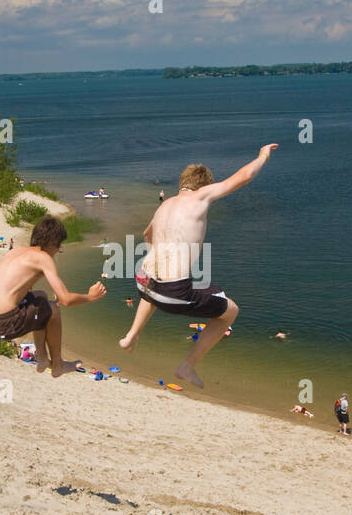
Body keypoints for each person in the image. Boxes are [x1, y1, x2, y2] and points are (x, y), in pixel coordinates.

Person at [118, 144, 277, 387]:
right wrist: (263, 155)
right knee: (231, 311)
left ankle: (131, 335)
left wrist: (159, 255)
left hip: (143, 284)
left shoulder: (164, 205)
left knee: (151, 284)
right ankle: (187, 366)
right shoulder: (201, 196)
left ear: (182, 183)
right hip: (173, 293)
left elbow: (146, 234)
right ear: (202, 186)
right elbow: (244, 176)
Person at [0, 215, 105, 377]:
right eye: (59, 246)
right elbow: (66, 300)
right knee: (53, 309)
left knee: (39, 297)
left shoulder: (16, 251)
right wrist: (90, 297)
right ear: (52, 244)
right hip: (3, 323)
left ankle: (42, 358)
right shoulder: (43, 258)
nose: (58, 251)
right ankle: (58, 365)